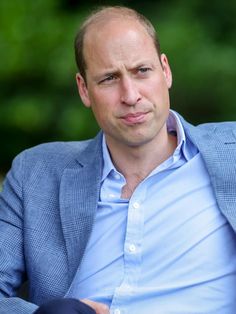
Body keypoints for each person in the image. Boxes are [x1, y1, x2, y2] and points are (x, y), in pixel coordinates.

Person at [0, 5, 236, 314]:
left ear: (165, 70)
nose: (130, 95)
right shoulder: (36, 174)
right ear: (84, 89)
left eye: (142, 71)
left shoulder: (229, 151)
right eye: (109, 78)